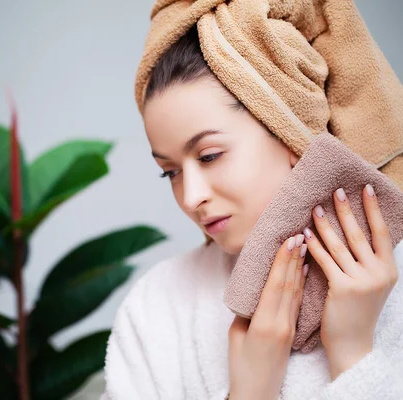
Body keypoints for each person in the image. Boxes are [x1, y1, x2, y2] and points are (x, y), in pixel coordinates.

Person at [101, 23, 403, 400]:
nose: (191, 197)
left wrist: (353, 353)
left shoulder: (394, 287)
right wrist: (250, 392)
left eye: (210, 156)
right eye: (171, 173)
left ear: (288, 130)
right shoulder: (155, 307)